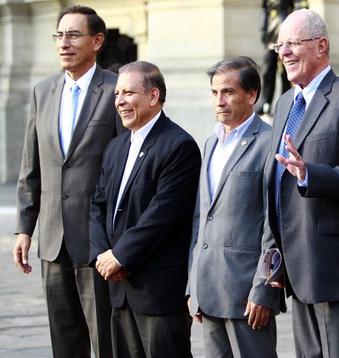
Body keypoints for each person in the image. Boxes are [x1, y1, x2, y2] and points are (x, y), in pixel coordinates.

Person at [248, 9, 339, 357]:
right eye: (281, 45)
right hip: (298, 273)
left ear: (321, 45)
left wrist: (310, 173)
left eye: (293, 43)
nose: (284, 52)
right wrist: (272, 264)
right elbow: (276, 191)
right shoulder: (283, 104)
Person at [13, 5, 121, 357]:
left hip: (98, 243)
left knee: (106, 341)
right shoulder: (42, 92)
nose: (64, 43)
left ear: (97, 41)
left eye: (74, 35)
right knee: (64, 344)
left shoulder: (116, 91)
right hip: (53, 241)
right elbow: (32, 166)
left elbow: (125, 169)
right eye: (59, 35)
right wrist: (25, 228)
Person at [89, 61, 200, 357]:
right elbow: (97, 205)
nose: (120, 102)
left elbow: (162, 216)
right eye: (116, 94)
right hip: (118, 288)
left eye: (128, 93)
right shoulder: (116, 147)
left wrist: (121, 256)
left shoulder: (179, 146)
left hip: (158, 291)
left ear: (153, 96)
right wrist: (103, 256)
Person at [187, 56, 280, 358]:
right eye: (214, 93)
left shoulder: (269, 143)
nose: (219, 101)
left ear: (251, 95)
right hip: (209, 289)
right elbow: (202, 218)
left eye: (228, 92)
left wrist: (265, 287)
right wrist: (194, 285)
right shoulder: (210, 143)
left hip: (248, 295)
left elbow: (275, 223)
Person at [255, 0, 307, 115]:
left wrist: (295, 28)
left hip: (286, 28)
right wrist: (263, 29)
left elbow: (301, 7)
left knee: (285, 70)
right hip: (272, 30)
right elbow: (264, 9)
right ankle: (266, 100)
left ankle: (287, 99)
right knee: (268, 69)